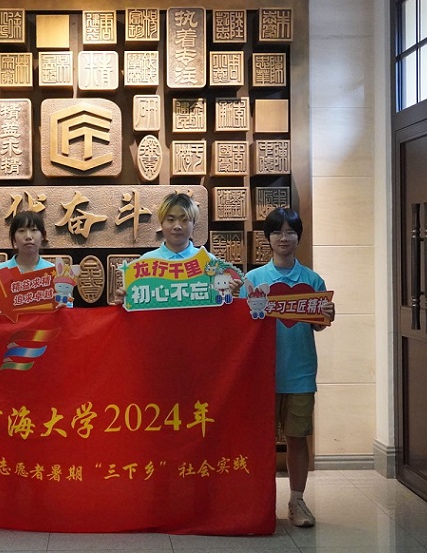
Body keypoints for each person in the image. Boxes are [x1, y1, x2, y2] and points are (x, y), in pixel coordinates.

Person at [239, 207, 335, 528]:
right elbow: (239, 326)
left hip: (300, 373)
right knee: (260, 441)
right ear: (267, 238)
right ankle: (260, 501)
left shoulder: (312, 280)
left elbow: (318, 324)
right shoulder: (253, 280)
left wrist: (327, 315)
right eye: (277, 232)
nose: (284, 238)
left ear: (298, 237)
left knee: (297, 438)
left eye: (290, 231)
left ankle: (297, 501)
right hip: (261, 376)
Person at [112, 192, 240, 304]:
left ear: (194, 224)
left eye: (184, 220)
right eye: (170, 220)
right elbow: (138, 309)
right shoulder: (145, 263)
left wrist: (227, 293)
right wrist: (125, 301)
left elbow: (218, 305)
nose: (177, 226)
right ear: (161, 223)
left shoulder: (209, 262)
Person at [0, 210, 70, 313]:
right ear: (13, 238)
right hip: (9, 324)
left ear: (43, 236)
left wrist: (64, 310)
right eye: (21, 231)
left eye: (34, 230)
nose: (28, 236)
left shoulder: (56, 273)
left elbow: (69, 310)